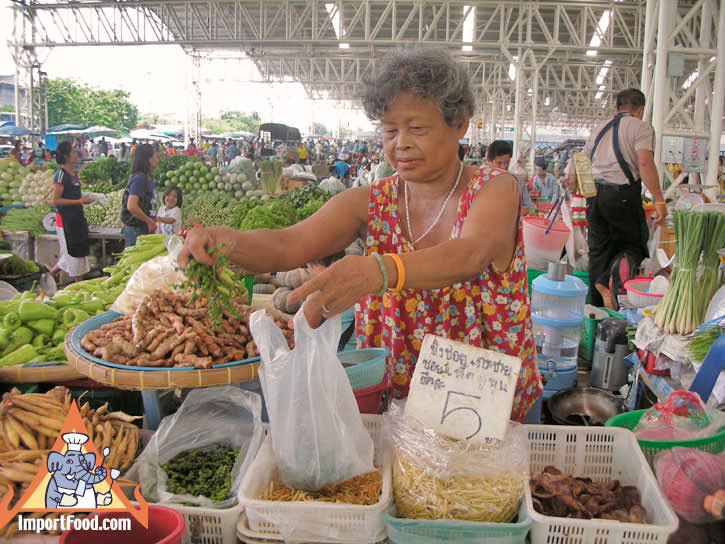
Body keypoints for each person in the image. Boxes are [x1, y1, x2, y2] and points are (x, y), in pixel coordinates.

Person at [179, 46, 542, 423]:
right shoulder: (370, 203)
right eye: (389, 130)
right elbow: (285, 244)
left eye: (417, 128)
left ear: (460, 122)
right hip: (399, 410)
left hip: (489, 413)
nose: (400, 142)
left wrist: (378, 272)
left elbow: (471, 254)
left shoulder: (496, 189)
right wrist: (225, 240)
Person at [570, 88, 666, 309]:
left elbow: (579, 167)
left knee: (599, 252)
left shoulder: (597, 130)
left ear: (617, 108)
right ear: (640, 109)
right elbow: (644, 163)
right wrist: (659, 200)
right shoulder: (641, 127)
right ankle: (611, 284)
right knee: (634, 246)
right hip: (622, 195)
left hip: (594, 198)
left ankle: (595, 308)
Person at [49, 141, 94, 282]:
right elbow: (56, 200)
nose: (76, 154)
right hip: (65, 221)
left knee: (73, 255)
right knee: (73, 256)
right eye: (74, 152)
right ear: (67, 156)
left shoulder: (74, 174)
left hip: (76, 219)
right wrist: (79, 202)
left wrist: (84, 199)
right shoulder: (60, 175)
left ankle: (48, 277)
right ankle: (79, 290)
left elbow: (72, 195)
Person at [120, 143, 158, 247]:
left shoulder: (147, 177)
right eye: (155, 156)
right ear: (148, 159)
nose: (157, 159)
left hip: (144, 230)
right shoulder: (139, 178)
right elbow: (132, 206)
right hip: (137, 231)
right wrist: (149, 221)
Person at [486, 140, 535, 210]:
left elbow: (529, 207)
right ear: (489, 161)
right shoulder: (482, 182)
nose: (503, 166)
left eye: (507, 162)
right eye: (499, 163)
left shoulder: (516, 180)